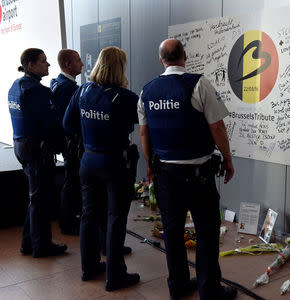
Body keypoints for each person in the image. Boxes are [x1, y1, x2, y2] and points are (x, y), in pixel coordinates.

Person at [138, 39, 236, 300]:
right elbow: (217, 127)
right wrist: (227, 159)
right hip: (198, 176)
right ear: (185, 55)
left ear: (161, 60)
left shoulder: (147, 91)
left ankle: (178, 286)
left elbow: (144, 132)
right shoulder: (199, 84)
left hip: (165, 176)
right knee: (206, 231)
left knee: (172, 231)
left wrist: (149, 165)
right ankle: (209, 291)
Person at [63, 46, 139, 291]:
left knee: (89, 215)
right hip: (115, 163)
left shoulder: (83, 91)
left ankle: (89, 268)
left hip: (88, 161)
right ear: (120, 68)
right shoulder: (125, 97)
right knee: (115, 218)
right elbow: (144, 123)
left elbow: (67, 123)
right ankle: (115, 276)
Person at [8, 48, 67, 258]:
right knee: (41, 199)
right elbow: (52, 123)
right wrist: (63, 144)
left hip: (21, 146)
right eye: (43, 61)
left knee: (36, 197)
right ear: (31, 65)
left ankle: (28, 242)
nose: (48, 64)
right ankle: (42, 246)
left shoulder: (16, 86)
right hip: (37, 150)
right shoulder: (37, 92)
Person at [50, 49, 84, 235]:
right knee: (72, 182)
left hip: (68, 142)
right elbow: (68, 120)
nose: (82, 64)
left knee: (71, 181)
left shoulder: (58, 83)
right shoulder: (68, 89)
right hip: (72, 143)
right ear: (68, 65)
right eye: (78, 61)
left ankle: (69, 220)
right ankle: (69, 222)